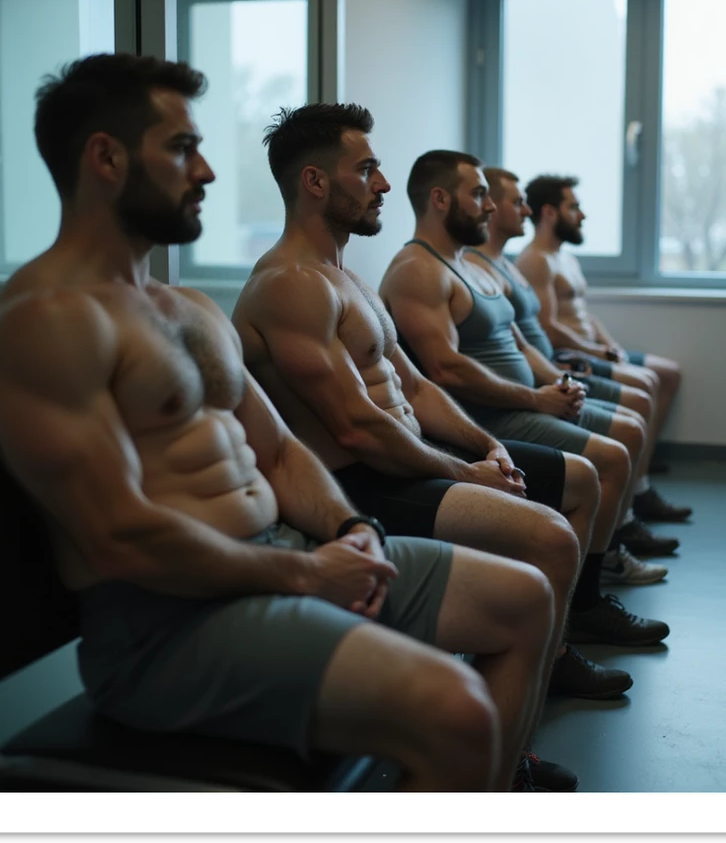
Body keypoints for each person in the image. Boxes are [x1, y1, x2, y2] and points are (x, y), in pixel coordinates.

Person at [0, 54, 564, 792]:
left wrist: (355, 531)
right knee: (456, 710)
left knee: (525, 599)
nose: (207, 173)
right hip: (170, 628)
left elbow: (282, 452)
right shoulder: (45, 322)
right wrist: (306, 573)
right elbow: (119, 534)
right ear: (105, 157)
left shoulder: (186, 307)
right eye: (181, 149)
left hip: (281, 559)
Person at [230, 103, 636, 733]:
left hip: (410, 460)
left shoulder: (349, 280)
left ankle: (539, 665)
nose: (384, 185)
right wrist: (466, 474)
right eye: (366, 170)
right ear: (314, 183)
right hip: (361, 483)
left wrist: (485, 444)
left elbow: (415, 387)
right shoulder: (288, 285)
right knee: (551, 537)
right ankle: (514, 742)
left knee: (577, 483)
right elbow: (356, 429)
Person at [379, 150, 674, 652]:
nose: (490, 207)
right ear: (439, 199)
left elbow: (518, 343)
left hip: (525, 401)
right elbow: (446, 369)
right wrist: (536, 400)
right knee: (609, 456)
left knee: (622, 437)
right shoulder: (416, 270)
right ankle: (582, 609)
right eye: (479, 195)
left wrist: (556, 383)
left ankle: (582, 598)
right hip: (489, 414)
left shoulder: (474, 266)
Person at [466, 167, 689, 578]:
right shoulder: (512, 263)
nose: (523, 210)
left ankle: (622, 523)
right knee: (637, 405)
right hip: (530, 387)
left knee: (646, 398)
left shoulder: (505, 266)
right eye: (514, 203)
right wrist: (548, 383)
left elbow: (522, 340)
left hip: (550, 370)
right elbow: (538, 333)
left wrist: (566, 369)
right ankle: (618, 535)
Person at [516, 175, 691, 526]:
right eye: (574, 207)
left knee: (668, 373)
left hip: (592, 348)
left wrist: (608, 343)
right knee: (646, 385)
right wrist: (595, 352)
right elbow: (549, 328)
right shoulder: (536, 260)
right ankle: (638, 491)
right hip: (571, 355)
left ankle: (638, 467)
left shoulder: (564, 257)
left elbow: (585, 313)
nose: (582, 215)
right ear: (550, 213)